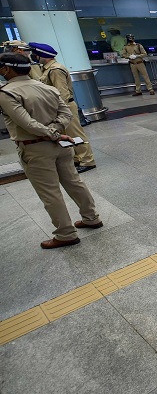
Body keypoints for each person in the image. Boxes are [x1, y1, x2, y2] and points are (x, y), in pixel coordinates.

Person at [0, 53, 103, 249]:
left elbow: (27, 123)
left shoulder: (7, 93)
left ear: (8, 69)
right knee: (74, 182)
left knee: (50, 192)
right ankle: (91, 217)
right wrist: (56, 131)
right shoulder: (45, 87)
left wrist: (51, 134)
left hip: (35, 148)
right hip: (61, 144)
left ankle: (65, 234)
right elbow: (66, 114)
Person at [30, 43, 97, 173]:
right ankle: (78, 158)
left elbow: (62, 93)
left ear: (43, 55)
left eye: (35, 54)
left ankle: (88, 160)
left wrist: (61, 111)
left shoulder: (55, 70)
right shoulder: (47, 69)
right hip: (59, 108)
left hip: (64, 107)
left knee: (75, 133)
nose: (34, 56)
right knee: (67, 134)